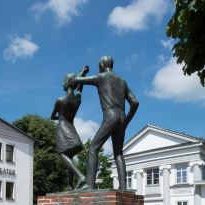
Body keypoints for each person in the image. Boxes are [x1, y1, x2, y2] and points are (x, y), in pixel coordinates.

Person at [72, 56, 139, 190]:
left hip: (110, 115)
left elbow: (74, 81)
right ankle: (123, 187)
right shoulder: (122, 81)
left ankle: (90, 185)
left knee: (93, 148)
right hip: (122, 116)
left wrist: (82, 72)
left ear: (102, 65)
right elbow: (135, 102)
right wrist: (126, 121)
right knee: (118, 153)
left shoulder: (101, 77)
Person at [51, 66, 89, 189]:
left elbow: (52, 116)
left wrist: (60, 118)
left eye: (64, 81)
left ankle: (81, 177)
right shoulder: (78, 99)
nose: (62, 83)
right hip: (72, 128)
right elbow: (80, 88)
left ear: (68, 83)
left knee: (62, 154)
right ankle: (69, 185)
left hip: (62, 128)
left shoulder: (60, 100)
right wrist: (82, 74)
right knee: (70, 157)